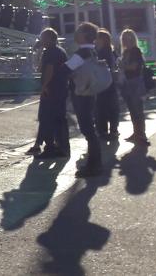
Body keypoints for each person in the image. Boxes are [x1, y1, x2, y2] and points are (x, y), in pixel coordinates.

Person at [68, 22, 104, 177]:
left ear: (85, 35)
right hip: (90, 91)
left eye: (79, 31)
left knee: (88, 129)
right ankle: (94, 163)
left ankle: (94, 165)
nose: (76, 34)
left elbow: (66, 70)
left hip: (81, 93)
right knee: (89, 129)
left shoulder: (82, 53)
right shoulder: (93, 51)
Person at [31, 28, 70, 159]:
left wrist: (45, 86)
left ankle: (50, 148)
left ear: (48, 38)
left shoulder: (50, 52)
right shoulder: (60, 51)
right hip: (61, 89)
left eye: (42, 38)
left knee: (46, 118)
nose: (40, 41)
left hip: (52, 89)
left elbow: (48, 69)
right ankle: (62, 147)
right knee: (60, 119)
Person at [119, 29, 150, 146]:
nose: (126, 40)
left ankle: (141, 134)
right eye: (124, 38)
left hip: (136, 82)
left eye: (128, 38)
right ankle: (136, 132)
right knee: (132, 109)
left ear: (133, 39)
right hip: (128, 82)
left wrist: (122, 65)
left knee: (137, 109)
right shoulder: (126, 52)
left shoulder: (135, 51)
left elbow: (133, 67)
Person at [93, 29, 121, 142]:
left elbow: (101, 65)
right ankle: (113, 130)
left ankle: (103, 130)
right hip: (111, 83)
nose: (95, 40)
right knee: (112, 108)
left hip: (102, 83)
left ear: (102, 40)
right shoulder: (111, 51)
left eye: (97, 38)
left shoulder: (101, 52)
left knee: (101, 108)